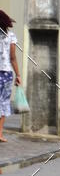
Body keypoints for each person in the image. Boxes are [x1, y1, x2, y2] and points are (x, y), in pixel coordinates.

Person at [0, 10, 20, 142]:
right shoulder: (11, 36)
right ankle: (0, 133)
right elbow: (13, 58)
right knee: (3, 103)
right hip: (6, 74)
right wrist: (18, 75)